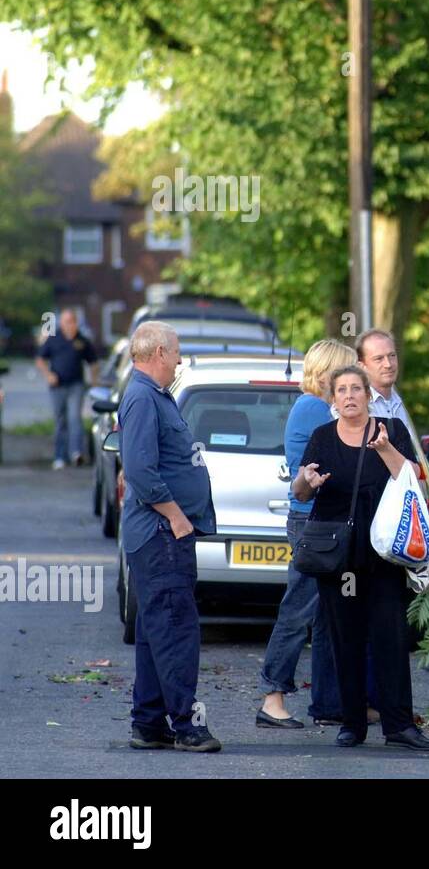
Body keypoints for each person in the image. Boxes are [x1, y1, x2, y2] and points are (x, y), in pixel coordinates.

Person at [292, 365, 429, 751]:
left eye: (356, 388)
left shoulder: (390, 430)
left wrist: (385, 448)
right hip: (339, 558)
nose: (350, 396)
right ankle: (351, 723)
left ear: (368, 395)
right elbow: (301, 492)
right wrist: (308, 478)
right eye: (342, 390)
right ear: (334, 399)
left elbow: (412, 478)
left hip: (384, 554)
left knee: (390, 638)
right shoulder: (323, 437)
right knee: (346, 639)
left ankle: (399, 726)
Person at [119, 321, 220, 752]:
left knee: (154, 628)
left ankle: (148, 722)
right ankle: (186, 725)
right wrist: (177, 517)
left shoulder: (152, 396)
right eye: (176, 352)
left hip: (158, 534)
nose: (180, 360)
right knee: (176, 628)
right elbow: (141, 470)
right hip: (161, 533)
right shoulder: (143, 397)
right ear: (159, 352)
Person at [256, 338, 356, 729]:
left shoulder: (313, 406)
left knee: (325, 614)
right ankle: (272, 696)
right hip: (312, 524)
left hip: (321, 522)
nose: (352, 380)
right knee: (298, 610)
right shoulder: (314, 408)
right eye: (347, 372)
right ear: (331, 373)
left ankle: (328, 704)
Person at [35, 308, 99, 469]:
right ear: (61, 323)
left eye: (72, 321)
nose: (70, 325)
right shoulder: (53, 339)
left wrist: (94, 381)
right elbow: (40, 360)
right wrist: (48, 375)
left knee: (75, 418)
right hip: (57, 386)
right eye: (66, 322)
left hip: (76, 385)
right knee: (60, 420)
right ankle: (59, 456)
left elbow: (93, 362)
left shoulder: (82, 340)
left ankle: (76, 453)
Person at [356, 328, 418, 443]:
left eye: (392, 355)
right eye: (379, 359)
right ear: (362, 366)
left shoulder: (397, 401)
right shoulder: (355, 405)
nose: (388, 364)